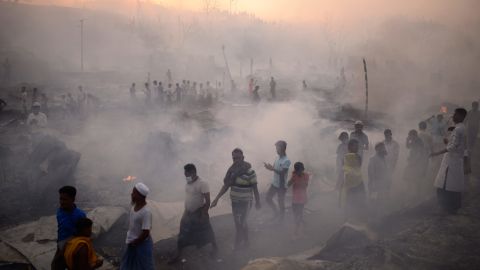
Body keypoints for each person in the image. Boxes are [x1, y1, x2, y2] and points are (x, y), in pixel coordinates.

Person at [211, 149, 261, 249]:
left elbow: (255, 188)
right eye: (234, 158)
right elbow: (226, 185)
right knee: (239, 223)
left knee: (240, 224)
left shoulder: (250, 172)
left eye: (238, 158)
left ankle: (237, 246)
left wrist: (258, 202)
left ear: (243, 157)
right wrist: (216, 199)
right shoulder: (232, 172)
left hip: (246, 202)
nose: (236, 160)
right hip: (235, 202)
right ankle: (246, 241)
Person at [170, 164, 217, 263]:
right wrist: (184, 212)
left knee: (207, 232)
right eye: (185, 174)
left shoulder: (202, 183)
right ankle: (178, 254)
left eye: (187, 174)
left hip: (199, 212)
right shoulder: (188, 184)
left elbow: (207, 201)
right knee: (182, 234)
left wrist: (204, 214)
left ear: (193, 172)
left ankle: (215, 248)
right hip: (188, 213)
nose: (186, 177)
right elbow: (187, 199)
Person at [431, 108, 468, 215]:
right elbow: (455, 144)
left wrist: (436, 153)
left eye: (455, 114)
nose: (453, 116)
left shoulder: (458, 129)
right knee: (450, 184)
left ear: (461, 116)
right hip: (453, 160)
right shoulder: (460, 128)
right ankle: (450, 207)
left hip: (452, 161)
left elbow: (452, 147)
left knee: (446, 184)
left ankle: (447, 208)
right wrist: (447, 141)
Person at [51, 186, 87, 270]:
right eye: (60, 199)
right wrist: (59, 245)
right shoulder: (60, 211)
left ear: (73, 199)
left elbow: (84, 235)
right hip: (61, 245)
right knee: (55, 266)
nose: (61, 202)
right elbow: (61, 228)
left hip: (73, 249)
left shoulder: (80, 215)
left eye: (65, 199)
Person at [120, 182, 154, 269]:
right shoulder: (133, 208)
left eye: (134, 192)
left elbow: (146, 232)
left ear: (140, 195)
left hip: (141, 245)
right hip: (132, 242)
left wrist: (136, 242)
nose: (131, 194)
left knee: (143, 266)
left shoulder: (146, 212)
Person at [340, 139, 367, 223]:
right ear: (349, 146)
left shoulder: (353, 157)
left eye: (357, 146)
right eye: (355, 146)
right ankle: (352, 221)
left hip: (355, 182)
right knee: (353, 202)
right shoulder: (352, 156)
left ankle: (351, 220)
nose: (357, 148)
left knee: (353, 202)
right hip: (353, 183)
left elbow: (355, 167)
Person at [264, 140, 291, 222]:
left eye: (277, 148)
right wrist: (269, 167)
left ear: (282, 149)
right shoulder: (277, 158)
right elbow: (274, 169)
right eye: (276, 148)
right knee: (268, 198)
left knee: (281, 202)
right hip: (274, 183)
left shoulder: (287, 160)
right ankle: (276, 212)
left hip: (281, 186)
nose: (276, 150)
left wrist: (272, 169)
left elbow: (283, 173)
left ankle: (281, 219)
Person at [403, 129, 428, 204]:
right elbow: (408, 147)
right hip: (413, 161)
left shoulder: (418, 141)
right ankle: (411, 194)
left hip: (418, 162)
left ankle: (417, 195)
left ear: (414, 135)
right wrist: (407, 140)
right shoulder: (413, 140)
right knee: (410, 177)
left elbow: (420, 153)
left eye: (409, 135)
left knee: (416, 178)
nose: (409, 137)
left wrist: (414, 162)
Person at [368, 143, 391, 219]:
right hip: (376, 184)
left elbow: (387, 171)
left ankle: (382, 217)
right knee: (375, 201)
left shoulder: (385, 158)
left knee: (383, 200)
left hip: (384, 183)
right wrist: (373, 186)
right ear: (377, 149)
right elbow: (371, 173)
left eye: (383, 147)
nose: (384, 149)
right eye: (382, 148)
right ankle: (374, 219)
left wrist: (388, 182)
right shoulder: (373, 159)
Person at [287, 162, 309, 239]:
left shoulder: (306, 175)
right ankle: (303, 225)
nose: (300, 172)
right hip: (295, 198)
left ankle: (296, 231)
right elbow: (288, 184)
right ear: (296, 170)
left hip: (302, 198)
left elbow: (305, 185)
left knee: (298, 214)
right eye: (298, 170)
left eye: (300, 170)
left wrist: (296, 180)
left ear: (302, 169)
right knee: (296, 214)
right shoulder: (294, 175)